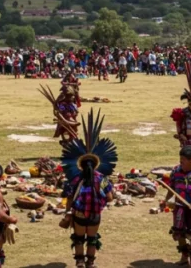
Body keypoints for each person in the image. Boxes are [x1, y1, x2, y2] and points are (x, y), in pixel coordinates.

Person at [60, 110, 116, 268]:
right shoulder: (102, 179)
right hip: (94, 215)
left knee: (78, 237)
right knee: (92, 238)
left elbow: (70, 198)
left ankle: (79, 261)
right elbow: (110, 197)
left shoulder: (75, 179)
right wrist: (101, 200)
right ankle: (90, 263)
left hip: (78, 214)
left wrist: (67, 212)